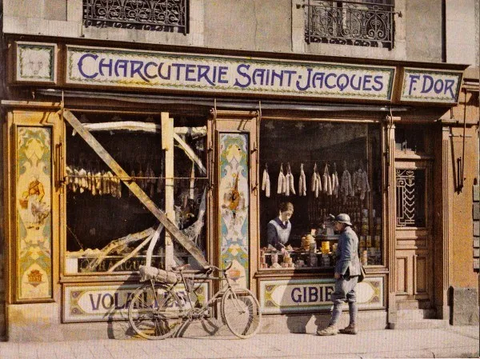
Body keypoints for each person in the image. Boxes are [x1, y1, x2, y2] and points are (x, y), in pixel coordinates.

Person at [317, 213, 361, 336]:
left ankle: (333, 326)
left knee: (338, 297)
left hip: (347, 272)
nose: (335, 225)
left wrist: (340, 272)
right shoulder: (351, 233)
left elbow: (346, 256)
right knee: (351, 298)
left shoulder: (346, 235)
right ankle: (353, 325)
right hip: (353, 271)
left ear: (342, 224)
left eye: (336, 223)